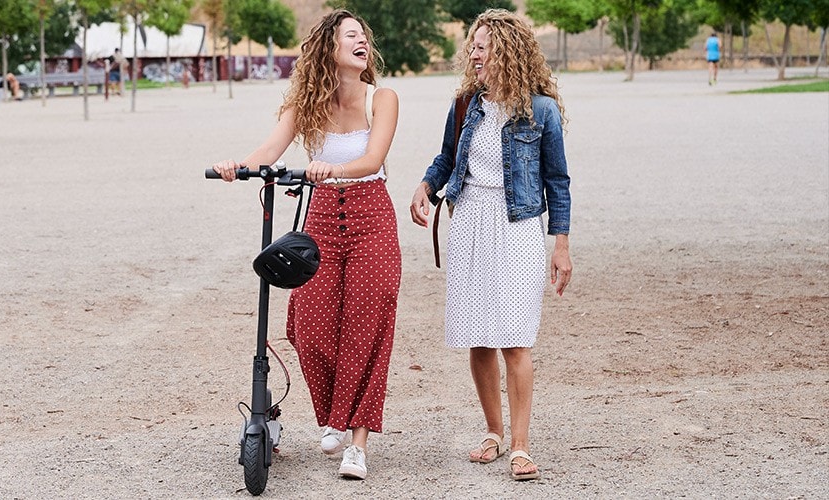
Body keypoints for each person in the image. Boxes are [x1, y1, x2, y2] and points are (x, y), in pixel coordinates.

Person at [211, 9, 400, 481]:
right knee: (310, 324)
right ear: (328, 50)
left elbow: (373, 158)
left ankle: (357, 442)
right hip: (321, 218)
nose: (361, 41)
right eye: (349, 36)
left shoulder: (384, 97)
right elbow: (269, 150)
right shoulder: (305, 103)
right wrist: (240, 165)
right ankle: (336, 413)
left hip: (370, 216)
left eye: (363, 36)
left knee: (367, 323)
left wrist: (331, 170)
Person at [409, 8, 572, 482]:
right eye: (473, 46)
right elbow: (446, 157)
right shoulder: (466, 104)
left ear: (507, 50)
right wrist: (426, 186)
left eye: (482, 46)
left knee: (515, 341)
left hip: (518, 225)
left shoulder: (539, 110)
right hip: (470, 223)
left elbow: (557, 182)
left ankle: (522, 444)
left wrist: (560, 246)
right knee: (478, 338)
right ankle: (494, 433)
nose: (474, 54)